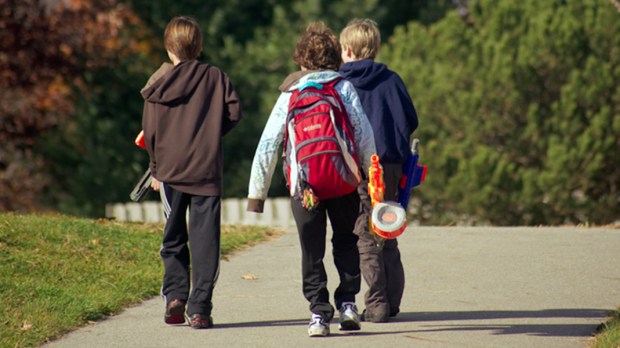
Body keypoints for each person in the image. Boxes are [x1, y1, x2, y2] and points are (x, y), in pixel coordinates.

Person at [246, 22, 376, 337]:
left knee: (311, 249)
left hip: (304, 188)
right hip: (344, 182)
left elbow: (268, 145)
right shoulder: (342, 87)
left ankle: (318, 313)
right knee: (346, 240)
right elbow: (363, 134)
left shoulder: (290, 93)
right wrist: (371, 179)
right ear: (334, 58)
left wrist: (256, 196)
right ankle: (347, 303)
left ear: (302, 61)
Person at [141, 16, 243, 329]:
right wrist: (212, 133)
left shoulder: (158, 84)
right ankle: (200, 308)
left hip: (170, 172)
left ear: (168, 47)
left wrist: (155, 168)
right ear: (198, 46)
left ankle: (175, 296)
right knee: (205, 241)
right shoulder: (216, 76)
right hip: (207, 171)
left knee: (173, 238)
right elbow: (234, 112)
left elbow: (150, 130)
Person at [338, 18, 419, 323]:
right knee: (388, 229)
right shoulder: (392, 80)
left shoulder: (341, 83)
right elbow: (411, 119)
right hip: (392, 165)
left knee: (364, 233)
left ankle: (376, 304)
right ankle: (392, 301)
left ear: (346, 49)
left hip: (359, 167)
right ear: (375, 48)